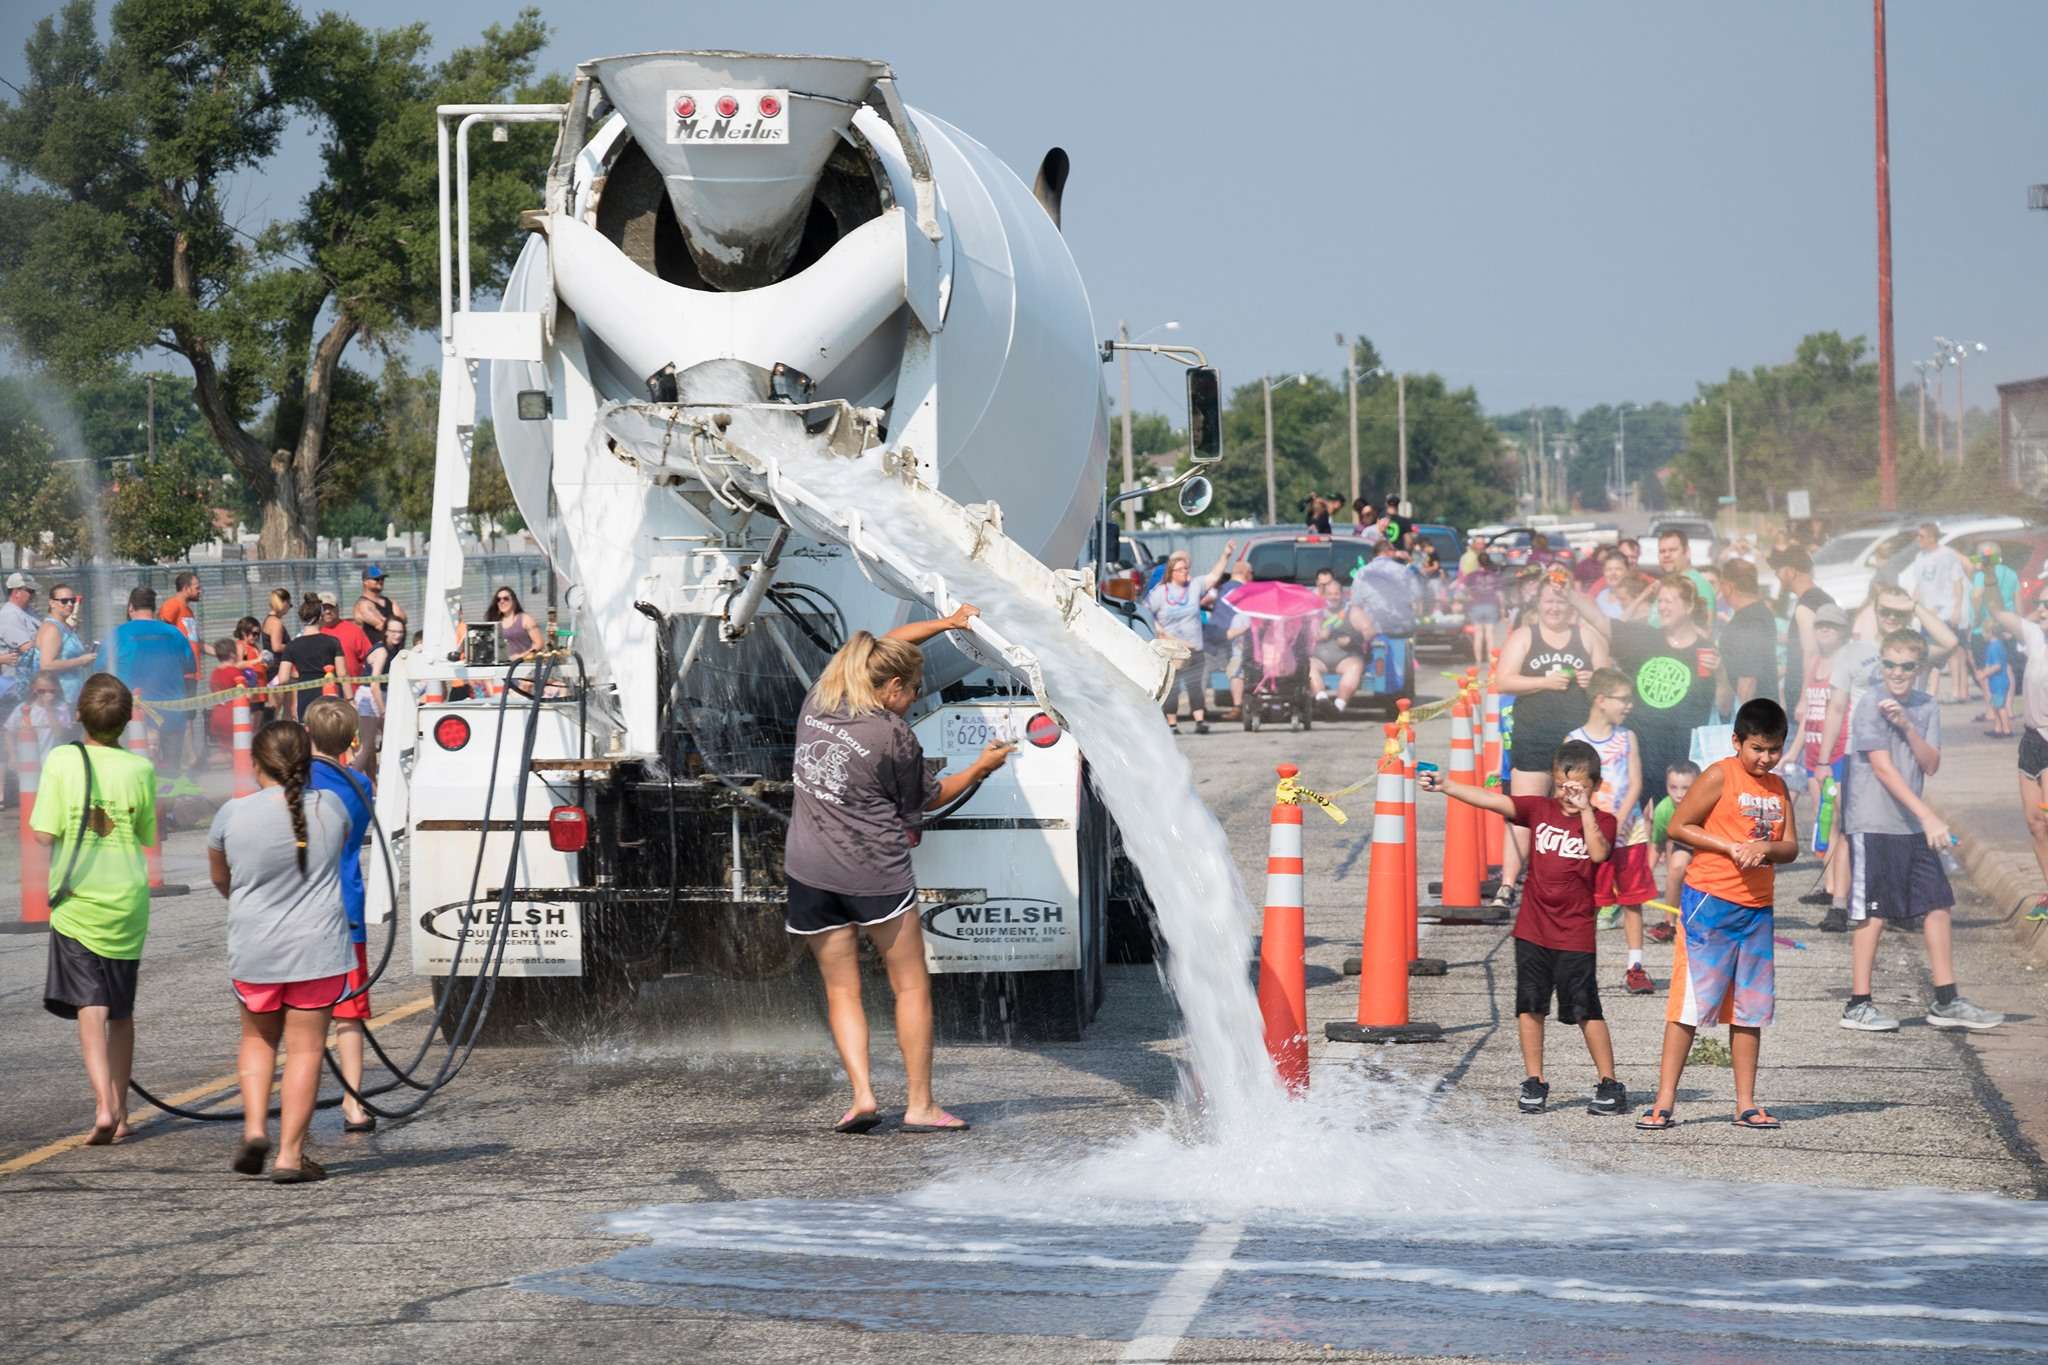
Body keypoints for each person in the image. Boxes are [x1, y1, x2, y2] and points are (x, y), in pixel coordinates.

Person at [784, 606, 1012, 1134]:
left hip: (808, 871)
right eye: (912, 691)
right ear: (890, 688)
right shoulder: (893, 735)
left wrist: (949, 621)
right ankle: (920, 1105)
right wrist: (980, 766)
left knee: (842, 989)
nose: (913, 700)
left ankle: (862, 1096)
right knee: (909, 987)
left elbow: (884, 642)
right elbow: (927, 801)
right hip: (874, 875)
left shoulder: (820, 699)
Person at [1421, 739, 1626, 1116]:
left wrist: (1584, 813)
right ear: (1552, 782)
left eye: (1578, 788)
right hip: (1532, 929)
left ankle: (1609, 1082)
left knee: (1585, 1009)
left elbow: (1599, 853)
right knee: (1530, 1006)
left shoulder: (1603, 823)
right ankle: (1535, 1079)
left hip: (1574, 934)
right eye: (1562, 786)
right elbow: (1492, 801)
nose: (1568, 795)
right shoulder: (1539, 810)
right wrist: (1447, 785)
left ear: (1594, 785)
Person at [1638, 699, 1797, 1133]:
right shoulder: (1719, 775)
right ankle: (1664, 1100)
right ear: (1737, 742)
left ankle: (1745, 1103)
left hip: (1757, 911)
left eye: (1774, 750)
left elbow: (1790, 847)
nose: (1765, 759)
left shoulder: (1779, 789)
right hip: (1709, 906)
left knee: (1750, 1011)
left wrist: (1764, 848)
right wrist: (1729, 847)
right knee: (1689, 1007)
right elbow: (1679, 826)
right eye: (1757, 749)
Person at [207, 718, 353, 1182]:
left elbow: (220, 878)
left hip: (255, 947)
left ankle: (254, 1128)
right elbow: (335, 853)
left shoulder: (232, 814)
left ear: (256, 765)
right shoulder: (331, 805)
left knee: (257, 1039)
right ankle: (290, 1156)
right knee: (306, 1050)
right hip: (318, 950)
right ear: (306, 763)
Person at [1837, 630, 2005, 1032]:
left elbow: (1930, 764)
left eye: (1907, 665)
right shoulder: (1869, 705)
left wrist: (1908, 725)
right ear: (1881, 663)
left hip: (1911, 824)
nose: (1897, 673)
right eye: (1890, 664)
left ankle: (1946, 1000)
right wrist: (1928, 816)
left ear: (1920, 668)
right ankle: (1858, 1004)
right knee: (1874, 912)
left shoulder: (1927, 706)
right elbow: (1882, 768)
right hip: (1874, 821)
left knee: (1937, 903)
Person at [32, 673, 156, 1146]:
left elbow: (44, 833)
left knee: (91, 1005)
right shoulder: (139, 770)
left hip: (79, 901)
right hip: (127, 901)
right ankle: (123, 1113)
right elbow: (144, 834)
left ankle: (102, 1103)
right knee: (121, 1013)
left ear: (78, 714)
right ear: (125, 722)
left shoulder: (61, 760)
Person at [1816, 586, 1957, 932]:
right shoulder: (1855, 651)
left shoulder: (1914, 648)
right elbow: (1836, 706)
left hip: (1905, 750)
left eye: (1898, 613)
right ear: (1874, 612)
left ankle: (1898, 903)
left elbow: (1951, 642)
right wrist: (1823, 761)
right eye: (1885, 612)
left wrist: (1916, 605)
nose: (1891, 618)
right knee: (1848, 827)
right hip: (1860, 751)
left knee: (1900, 826)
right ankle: (1838, 902)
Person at [1494, 571, 1609, 905]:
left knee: (1573, 813)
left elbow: (1608, 685)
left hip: (1575, 743)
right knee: (1522, 812)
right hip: (1532, 736)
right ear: (1538, 604)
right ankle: (1507, 884)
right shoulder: (1524, 637)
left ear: (1570, 604)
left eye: (1560, 600)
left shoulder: (1587, 637)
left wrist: (1593, 683)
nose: (1554, 608)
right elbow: (1503, 681)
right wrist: (1543, 682)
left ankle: (1568, 883)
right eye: (1548, 601)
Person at [1578, 573, 1718, 842]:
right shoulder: (1644, 639)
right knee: (1635, 827)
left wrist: (1720, 672)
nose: (1662, 607)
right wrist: (1567, 593)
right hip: (1641, 745)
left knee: (1676, 834)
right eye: (1659, 601)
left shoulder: (1705, 649)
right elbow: (1598, 620)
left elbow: (1721, 703)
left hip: (1681, 751)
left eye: (1669, 601)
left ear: (1688, 607)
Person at [303, 699, 382, 1127]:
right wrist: (366, 747)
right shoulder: (359, 785)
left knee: (304, 1014)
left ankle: (304, 1097)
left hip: (301, 909)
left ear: (307, 733)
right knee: (349, 1014)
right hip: (345, 908)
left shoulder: (292, 781)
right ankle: (353, 1103)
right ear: (349, 740)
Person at [1568, 669, 1658, 994]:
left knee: (1632, 900)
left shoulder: (1626, 737)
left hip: (1628, 832)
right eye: (1624, 699)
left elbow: (1635, 782)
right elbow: (1569, 788)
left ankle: (1635, 966)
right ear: (1601, 700)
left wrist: (1618, 820)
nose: (1629, 705)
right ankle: (1582, 968)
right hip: (1591, 836)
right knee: (1591, 902)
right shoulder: (1575, 740)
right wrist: (1593, 824)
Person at [1975, 582, 2048, 922]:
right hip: (2030, 743)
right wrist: (1989, 575)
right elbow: (1996, 611)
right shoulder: (2036, 637)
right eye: (2041, 603)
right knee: (2035, 824)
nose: (2041, 610)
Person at [97, 586, 196, 775]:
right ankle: (167, 803)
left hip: (131, 715)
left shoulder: (118, 634)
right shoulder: (174, 633)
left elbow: (100, 668)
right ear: (153, 607)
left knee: (130, 769)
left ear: (130, 608)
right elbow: (189, 667)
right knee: (171, 770)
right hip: (172, 711)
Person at [1145, 543, 1234, 734]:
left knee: (1196, 686)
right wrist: (1161, 632)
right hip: (1172, 652)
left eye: (1187, 567)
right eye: (1182, 568)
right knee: (1173, 688)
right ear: (1172, 572)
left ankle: (1200, 721)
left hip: (1195, 648)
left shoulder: (1194, 586)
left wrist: (1225, 555)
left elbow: (1213, 576)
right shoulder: (1160, 593)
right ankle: (1172, 723)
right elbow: (1146, 613)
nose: (1186, 571)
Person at [1900, 523, 1971, 701]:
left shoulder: (1947, 555)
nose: (1918, 540)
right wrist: (1913, 605)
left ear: (1932, 537)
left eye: (1922, 536)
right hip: (1928, 613)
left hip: (1945, 610)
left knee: (1952, 650)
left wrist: (1957, 608)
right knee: (1927, 652)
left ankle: (1956, 691)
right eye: (1917, 536)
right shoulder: (1920, 557)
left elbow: (1957, 582)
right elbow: (1920, 584)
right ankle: (1929, 691)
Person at [1770, 545, 1836, 711]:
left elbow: (1812, 652)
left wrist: (1805, 699)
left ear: (1791, 572)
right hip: (1824, 690)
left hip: (1805, 698)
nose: (1776, 575)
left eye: (1778, 570)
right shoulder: (1825, 599)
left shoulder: (1804, 607)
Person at [271, 597, 346, 719]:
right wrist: (350, 698)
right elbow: (342, 674)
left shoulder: (292, 646)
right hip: (331, 696)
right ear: (320, 617)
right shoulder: (332, 642)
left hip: (305, 698)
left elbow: (283, 679)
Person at [1717, 558, 1779, 706]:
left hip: (1755, 715)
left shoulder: (1750, 621)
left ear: (1729, 586)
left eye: (1721, 584)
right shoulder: (1758, 613)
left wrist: (1744, 724)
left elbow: (1748, 679)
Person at [1649, 760, 1698, 935]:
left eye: (1685, 788)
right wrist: (1646, 873)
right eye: (1673, 787)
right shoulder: (1663, 810)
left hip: (1711, 847)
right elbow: (1657, 844)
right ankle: (1669, 922)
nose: (1679, 794)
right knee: (1676, 867)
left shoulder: (1708, 805)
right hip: (1684, 845)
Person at [1311, 574, 1367, 711]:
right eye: (1329, 594)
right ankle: (1321, 698)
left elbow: (1368, 632)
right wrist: (1318, 634)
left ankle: (1339, 705)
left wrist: (1352, 639)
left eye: (1336, 593)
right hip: (1319, 658)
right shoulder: (1315, 612)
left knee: (1355, 667)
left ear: (1342, 594)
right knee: (1307, 666)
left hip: (1346, 657)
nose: (1333, 597)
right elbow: (1308, 634)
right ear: (1323, 595)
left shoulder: (1352, 611)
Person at [35, 581, 94, 706]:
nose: (70, 604)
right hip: (60, 699)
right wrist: (80, 661)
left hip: (72, 696)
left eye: (72, 601)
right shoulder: (52, 628)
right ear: (52, 603)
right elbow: (46, 665)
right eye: (64, 601)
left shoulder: (64, 626)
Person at [1649, 530, 1716, 623]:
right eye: (1662, 551)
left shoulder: (1698, 585)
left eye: (1673, 550)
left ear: (1687, 552)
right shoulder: (1666, 584)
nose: (1666, 555)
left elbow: (1706, 630)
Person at [1456, 552, 1503, 667]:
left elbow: (1461, 589)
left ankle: (1478, 661)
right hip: (1491, 605)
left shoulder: (1471, 576)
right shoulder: (1494, 576)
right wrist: (1502, 608)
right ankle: (1491, 660)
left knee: (1478, 634)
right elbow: (1500, 594)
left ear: (1478, 562)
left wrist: (1466, 598)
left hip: (1476, 606)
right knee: (1490, 634)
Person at [157, 570, 205, 679]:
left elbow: (195, 642)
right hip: (179, 674)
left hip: (191, 675)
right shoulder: (172, 605)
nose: (200, 591)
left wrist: (223, 654)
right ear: (186, 588)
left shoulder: (188, 611)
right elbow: (161, 636)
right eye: (197, 588)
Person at [486, 585, 544, 660]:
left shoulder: (525, 619)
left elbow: (539, 644)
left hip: (525, 664)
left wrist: (521, 657)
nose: (502, 601)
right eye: (498, 599)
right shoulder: (494, 623)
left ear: (513, 601)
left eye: (506, 598)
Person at [352, 564, 406, 637]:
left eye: (382, 579)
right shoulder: (362, 604)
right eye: (376, 579)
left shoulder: (391, 602)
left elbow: (403, 621)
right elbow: (381, 625)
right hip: (373, 647)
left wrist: (387, 621)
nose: (380, 581)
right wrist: (394, 622)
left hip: (392, 647)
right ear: (365, 581)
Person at [261, 587, 294, 658]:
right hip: (277, 665)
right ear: (285, 603)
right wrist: (294, 646)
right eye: (290, 604)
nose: (289, 608)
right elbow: (276, 647)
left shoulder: (268, 619)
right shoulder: (276, 622)